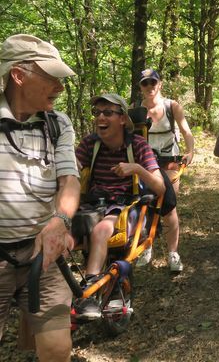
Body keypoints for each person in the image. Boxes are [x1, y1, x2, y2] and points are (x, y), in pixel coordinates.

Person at [0, 34, 80, 362]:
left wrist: (61, 221)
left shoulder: (57, 124)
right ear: (18, 75)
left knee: (58, 349)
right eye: (51, 78)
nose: (60, 88)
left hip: (43, 256)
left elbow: (70, 182)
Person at [74, 93, 165, 318]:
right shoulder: (90, 143)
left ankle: (89, 288)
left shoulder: (137, 145)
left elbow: (160, 187)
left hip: (125, 206)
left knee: (102, 230)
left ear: (123, 119)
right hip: (93, 204)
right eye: (97, 113)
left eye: (107, 113)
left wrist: (136, 169)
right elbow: (71, 169)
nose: (100, 117)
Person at [136, 69, 195, 273]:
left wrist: (190, 151)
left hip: (170, 161)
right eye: (145, 83)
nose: (150, 86)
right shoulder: (136, 110)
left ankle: (172, 253)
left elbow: (186, 131)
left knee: (167, 205)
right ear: (140, 87)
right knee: (146, 205)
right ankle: (146, 246)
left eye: (153, 82)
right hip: (146, 163)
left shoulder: (172, 106)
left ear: (160, 84)